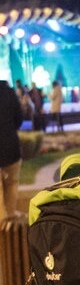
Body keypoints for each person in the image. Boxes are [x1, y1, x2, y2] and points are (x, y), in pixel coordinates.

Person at [0, 79, 24, 219]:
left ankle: (2, 220)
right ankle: (10, 214)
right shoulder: (9, 93)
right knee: (12, 182)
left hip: (9, 147)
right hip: (11, 147)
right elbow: (19, 119)